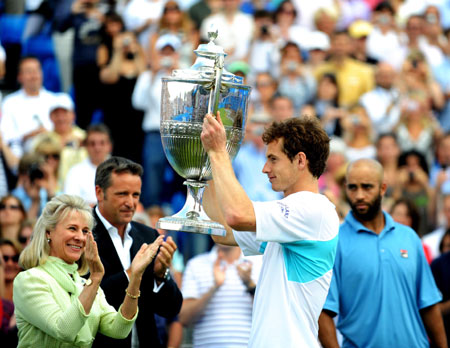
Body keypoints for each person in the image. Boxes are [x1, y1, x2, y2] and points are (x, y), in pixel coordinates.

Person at [201, 115, 339, 347]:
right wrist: (209, 162)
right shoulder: (292, 221)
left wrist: (219, 152)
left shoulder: (313, 208)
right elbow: (221, 231)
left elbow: (236, 215)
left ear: (300, 160)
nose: (265, 169)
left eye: (273, 159)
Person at [318, 158, 447, 348]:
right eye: (353, 188)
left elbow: (428, 304)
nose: (359, 195)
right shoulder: (335, 243)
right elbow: (323, 313)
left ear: (383, 188)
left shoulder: (409, 238)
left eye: (367, 187)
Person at [13, 194, 164, 347]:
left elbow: (119, 329)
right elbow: (64, 331)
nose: (80, 237)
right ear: (48, 232)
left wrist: (136, 277)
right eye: (72, 228)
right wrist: (96, 278)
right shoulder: (29, 280)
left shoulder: (86, 284)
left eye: (85, 231)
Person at [92, 156, 182, 348]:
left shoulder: (148, 235)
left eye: (135, 195)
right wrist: (133, 273)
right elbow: (87, 298)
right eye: (122, 194)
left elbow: (171, 308)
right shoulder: (82, 234)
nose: (130, 203)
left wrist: (160, 275)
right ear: (99, 193)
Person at [179, 244, 261, 347]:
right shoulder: (195, 264)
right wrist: (214, 288)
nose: (223, 228)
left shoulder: (260, 262)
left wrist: (249, 285)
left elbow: (272, 315)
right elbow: (184, 319)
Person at [0, 56, 55, 158]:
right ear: (19, 77)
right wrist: (31, 135)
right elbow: (7, 136)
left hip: (54, 153)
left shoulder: (56, 100)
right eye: (29, 72)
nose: (34, 76)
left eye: (36, 71)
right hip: (23, 156)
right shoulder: (10, 102)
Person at [64, 123, 113, 206]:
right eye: (92, 143)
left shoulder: (120, 169)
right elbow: (70, 204)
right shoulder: (75, 172)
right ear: (86, 146)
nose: (97, 148)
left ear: (109, 146)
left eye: (102, 143)